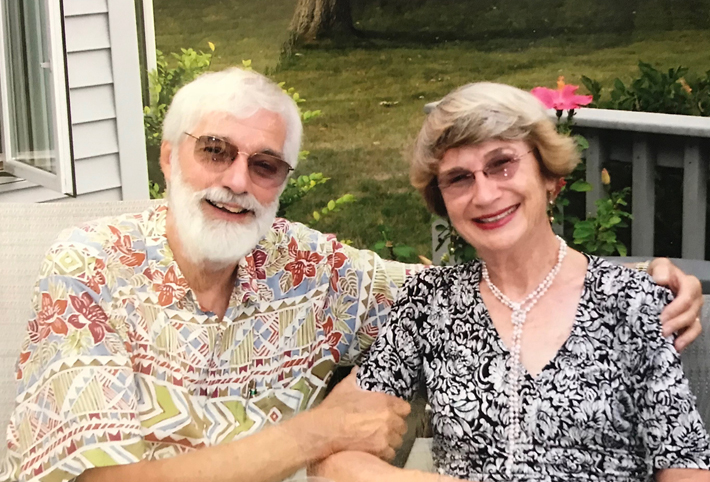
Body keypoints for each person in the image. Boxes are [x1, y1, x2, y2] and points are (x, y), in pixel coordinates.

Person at [0, 69, 703, 482]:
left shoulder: (312, 271)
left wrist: (644, 282)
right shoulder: (91, 264)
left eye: (265, 164)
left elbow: (514, 270)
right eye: (215, 151)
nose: (237, 181)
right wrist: (314, 436)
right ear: (166, 158)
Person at [315, 82, 710, 482]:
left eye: (502, 164)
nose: (485, 194)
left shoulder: (632, 300)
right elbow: (332, 454)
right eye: (458, 178)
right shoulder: (429, 302)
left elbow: (686, 463)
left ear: (548, 175)